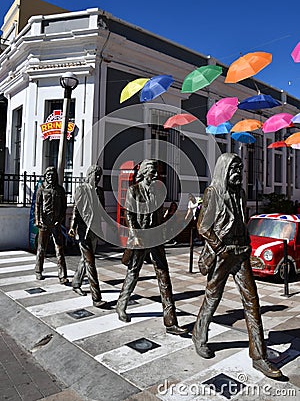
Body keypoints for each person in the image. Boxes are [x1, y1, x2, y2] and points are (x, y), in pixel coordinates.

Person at [192, 153, 283, 379]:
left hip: (241, 253)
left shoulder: (240, 193)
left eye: (240, 169)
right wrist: (220, 248)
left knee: (252, 301)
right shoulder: (213, 193)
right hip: (222, 254)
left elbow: (241, 223)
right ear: (223, 169)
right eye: (234, 168)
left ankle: (259, 356)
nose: (238, 173)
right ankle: (199, 334)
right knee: (213, 297)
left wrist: (248, 245)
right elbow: (203, 227)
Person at [116, 159, 187, 335]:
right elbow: (129, 214)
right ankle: (121, 305)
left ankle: (170, 321)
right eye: (153, 172)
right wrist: (135, 235)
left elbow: (157, 215)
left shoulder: (157, 190)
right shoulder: (134, 190)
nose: (156, 175)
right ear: (145, 173)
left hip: (155, 238)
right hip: (140, 238)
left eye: (156, 172)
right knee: (133, 273)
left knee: (164, 276)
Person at [68, 165, 108, 308]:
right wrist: (72, 227)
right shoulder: (82, 189)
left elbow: (103, 212)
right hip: (83, 230)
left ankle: (76, 283)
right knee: (91, 263)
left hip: (95, 230)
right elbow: (76, 209)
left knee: (85, 259)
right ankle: (96, 298)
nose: (97, 178)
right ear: (89, 174)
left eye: (99, 176)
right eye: (95, 175)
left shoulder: (100, 191)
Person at [34, 166, 68, 284]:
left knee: (59, 248)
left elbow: (64, 207)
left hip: (56, 223)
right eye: (48, 175)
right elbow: (37, 205)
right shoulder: (41, 189)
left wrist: (61, 219)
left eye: (52, 175)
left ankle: (62, 275)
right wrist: (38, 220)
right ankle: (38, 270)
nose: (50, 177)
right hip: (44, 222)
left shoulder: (60, 190)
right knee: (41, 248)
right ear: (45, 176)